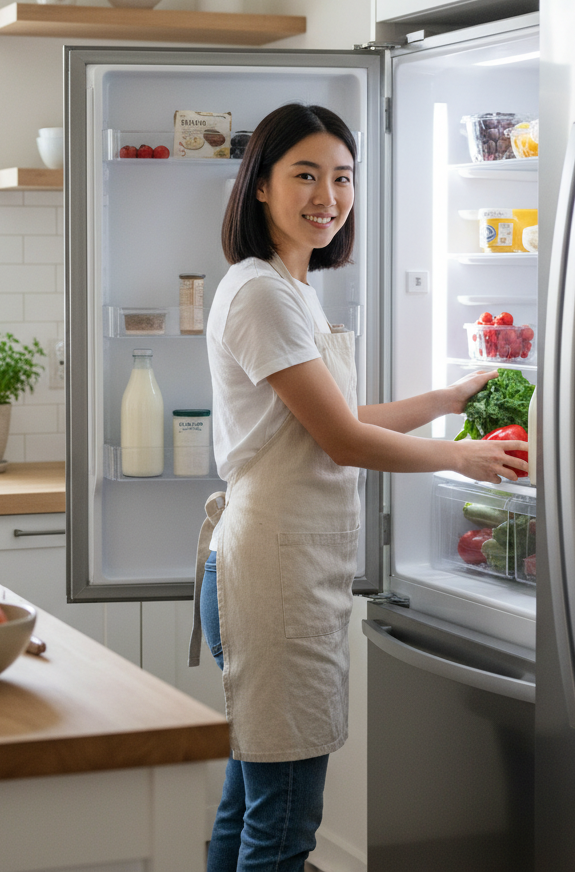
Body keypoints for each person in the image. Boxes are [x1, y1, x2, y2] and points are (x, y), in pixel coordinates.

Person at [188, 103, 528, 872]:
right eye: (304, 174)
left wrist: (444, 403)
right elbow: (341, 441)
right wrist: (457, 460)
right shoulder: (262, 294)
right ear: (261, 188)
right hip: (272, 573)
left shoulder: (291, 287)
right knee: (283, 826)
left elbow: (329, 420)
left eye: (341, 177)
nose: (328, 195)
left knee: (250, 801)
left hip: (283, 567)